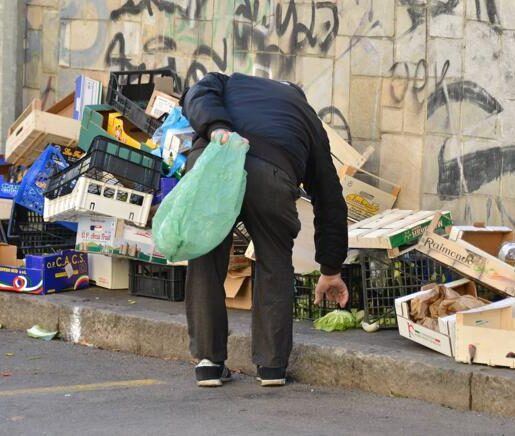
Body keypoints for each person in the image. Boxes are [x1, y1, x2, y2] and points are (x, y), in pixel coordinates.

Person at [180, 72, 349, 387]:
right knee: (274, 263)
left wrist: (218, 128)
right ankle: (271, 368)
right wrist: (330, 268)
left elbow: (195, 94)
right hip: (271, 176)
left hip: (214, 163)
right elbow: (330, 200)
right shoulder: (308, 119)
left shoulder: (227, 82)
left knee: (205, 254)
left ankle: (208, 362)